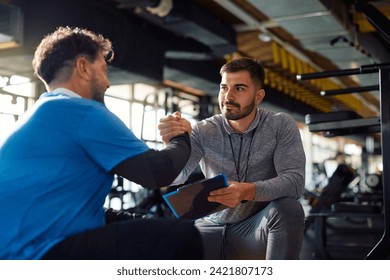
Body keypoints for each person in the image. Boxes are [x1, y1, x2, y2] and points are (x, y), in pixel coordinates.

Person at [0, 26, 203, 260]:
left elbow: (71, 205)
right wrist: (180, 135)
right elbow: (159, 171)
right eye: (104, 70)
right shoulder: (80, 111)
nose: (107, 83)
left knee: (149, 228)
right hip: (35, 254)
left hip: (16, 249)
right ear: (84, 68)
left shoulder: (42, 112)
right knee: (181, 236)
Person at [158, 57, 306, 259]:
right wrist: (173, 144)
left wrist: (248, 190)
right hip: (210, 225)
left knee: (289, 209)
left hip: (254, 229)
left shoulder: (280, 125)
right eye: (224, 87)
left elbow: (295, 183)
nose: (228, 96)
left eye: (239, 88)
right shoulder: (203, 130)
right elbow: (176, 177)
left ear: (258, 96)